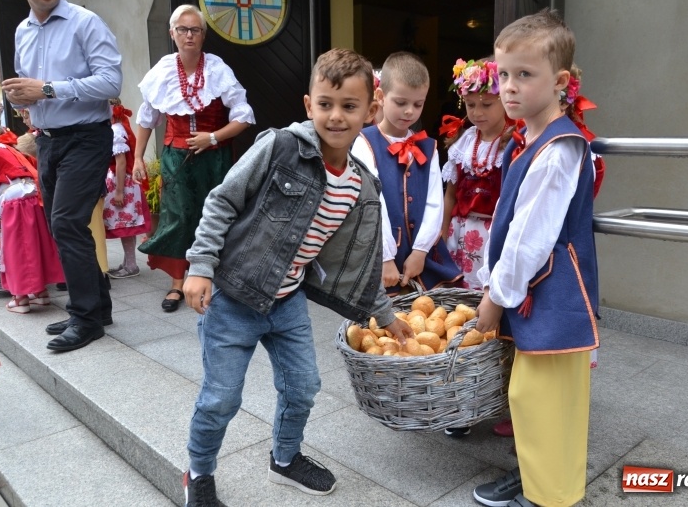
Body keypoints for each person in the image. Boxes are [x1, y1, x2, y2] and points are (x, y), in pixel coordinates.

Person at [181, 48, 413, 506]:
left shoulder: (362, 185)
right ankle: (198, 472)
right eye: (325, 103)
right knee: (221, 399)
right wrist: (200, 266)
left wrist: (384, 316)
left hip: (287, 303)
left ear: (370, 110)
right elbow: (222, 201)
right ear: (309, 105)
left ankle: (284, 460)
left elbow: (359, 261)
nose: (336, 116)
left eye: (349, 106)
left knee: (303, 387)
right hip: (232, 297)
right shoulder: (279, 146)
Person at [471, 8, 599, 507]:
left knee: (548, 400)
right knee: (529, 397)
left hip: (554, 290)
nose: (509, 87)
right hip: (539, 290)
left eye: (525, 75)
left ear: (560, 81)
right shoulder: (531, 140)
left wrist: (496, 296)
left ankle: (551, 497)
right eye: (504, 74)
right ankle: (535, 477)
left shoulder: (560, 149)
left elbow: (530, 235)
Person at [3, 0, 122, 352]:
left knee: (66, 222)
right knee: (64, 226)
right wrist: (23, 99)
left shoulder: (85, 22)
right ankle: (97, 307)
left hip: (88, 136)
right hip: (49, 141)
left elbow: (112, 83)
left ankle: (85, 318)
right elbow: (30, 94)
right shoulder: (22, 31)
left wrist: (49, 89)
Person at [131, 4, 254, 314]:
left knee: (217, 214)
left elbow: (244, 117)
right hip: (176, 156)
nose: (189, 35)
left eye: (195, 30)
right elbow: (147, 119)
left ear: (203, 35)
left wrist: (213, 137)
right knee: (178, 216)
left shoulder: (217, 69)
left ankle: (218, 277)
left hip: (215, 158)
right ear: (172, 34)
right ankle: (177, 282)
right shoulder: (161, 71)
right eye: (182, 29)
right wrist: (137, 158)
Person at [350, 51, 462, 294]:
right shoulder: (364, 143)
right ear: (380, 96)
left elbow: (435, 202)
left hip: (422, 255)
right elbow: (370, 204)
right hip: (380, 253)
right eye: (401, 102)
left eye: (418, 104)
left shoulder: (428, 147)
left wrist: (421, 251)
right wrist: (386, 257)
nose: (409, 111)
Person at [441, 57, 513, 290]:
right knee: (457, 291)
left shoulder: (514, 141)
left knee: (486, 291)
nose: (477, 112)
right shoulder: (463, 142)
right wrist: (442, 231)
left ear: (504, 100)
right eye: (471, 105)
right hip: (460, 231)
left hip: (493, 233)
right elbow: (450, 195)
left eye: (487, 105)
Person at [0, 125, 64, 313]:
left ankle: (20, 299)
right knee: (35, 244)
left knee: (16, 249)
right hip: (34, 195)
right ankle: (40, 293)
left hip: (14, 199)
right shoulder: (8, 148)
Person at [104, 99, 149, 278]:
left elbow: (121, 163)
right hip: (120, 181)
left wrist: (119, 191)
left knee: (125, 224)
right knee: (124, 223)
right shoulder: (119, 128)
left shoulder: (116, 131)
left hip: (122, 183)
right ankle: (127, 262)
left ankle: (131, 265)